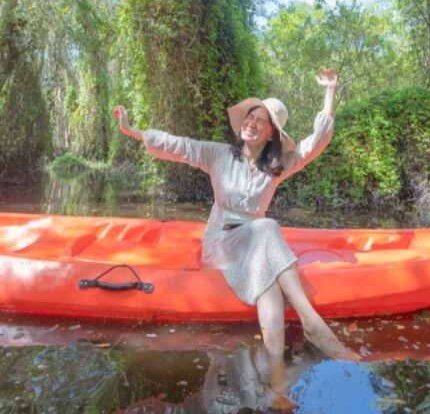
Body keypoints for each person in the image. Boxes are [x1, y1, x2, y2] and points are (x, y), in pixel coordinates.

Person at [113, 68, 357, 361]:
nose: (251, 124)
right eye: (249, 118)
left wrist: (330, 91)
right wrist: (134, 131)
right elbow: (180, 146)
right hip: (221, 243)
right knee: (267, 226)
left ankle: (276, 373)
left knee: (269, 289)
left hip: (256, 249)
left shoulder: (278, 165)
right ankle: (312, 322)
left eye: (260, 121)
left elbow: (315, 142)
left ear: (271, 134)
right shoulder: (219, 155)